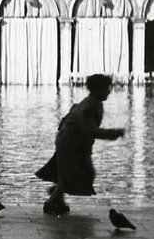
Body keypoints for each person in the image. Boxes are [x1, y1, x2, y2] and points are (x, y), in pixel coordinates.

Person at [36, 73, 125, 215]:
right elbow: (88, 129)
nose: (109, 91)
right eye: (106, 88)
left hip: (74, 142)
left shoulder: (91, 103)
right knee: (76, 173)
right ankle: (52, 201)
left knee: (77, 173)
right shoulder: (88, 107)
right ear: (97, 90)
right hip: (70, 143)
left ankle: (57, 195)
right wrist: (111, 134)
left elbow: (72, 116)